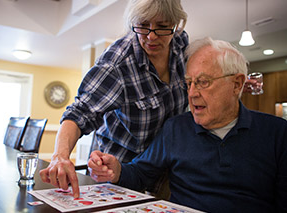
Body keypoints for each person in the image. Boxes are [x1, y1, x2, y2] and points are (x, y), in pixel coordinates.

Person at [88, 37, 287, 212]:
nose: (192, 93)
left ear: (236, 84)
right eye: (189, 83)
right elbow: (141, 174)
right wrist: (116, 170)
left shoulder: (278, 133)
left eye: (203, 82)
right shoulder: (175, 128)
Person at [40, 0, 189, 198]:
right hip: (116, 175)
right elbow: (78, 114)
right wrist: (60, 156)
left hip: (163, 170)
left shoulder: (180, 44)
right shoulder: (117, 63)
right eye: (143, 25)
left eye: (162, 27)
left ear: (175, 24)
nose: (151, 36)